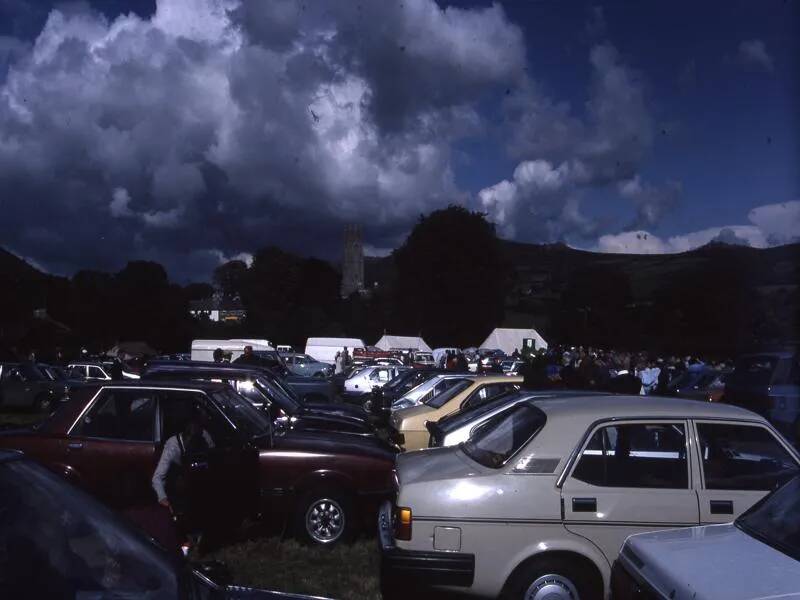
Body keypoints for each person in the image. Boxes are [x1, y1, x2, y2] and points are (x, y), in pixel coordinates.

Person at [152, 419, 214, 553]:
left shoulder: (206, 438)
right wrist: (163, 499)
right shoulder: (172, 446)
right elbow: (157, 478)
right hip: (178, 482)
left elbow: (214, 462)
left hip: (200, 479)